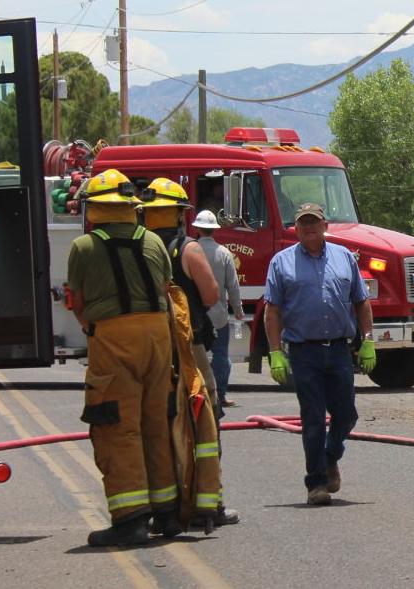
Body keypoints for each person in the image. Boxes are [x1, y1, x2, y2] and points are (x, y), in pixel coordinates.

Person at [67, 169, 175, 546]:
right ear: (131, 207)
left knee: (117, 427)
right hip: (158, 335)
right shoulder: (155, 243)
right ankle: (167, 510)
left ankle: (130, 519)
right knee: (157, 422)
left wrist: (97, 328)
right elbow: (165, 289)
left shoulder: (83, 247)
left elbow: (78, 303)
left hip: (114, 338)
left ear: (95, 209)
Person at [141, 178, 240, 527]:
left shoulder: (141, 248)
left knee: (160, 424)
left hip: (150, 349)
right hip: (189, 347)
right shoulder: (188, 250)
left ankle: (165, 507)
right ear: (181, 215)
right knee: (204, 422)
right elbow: (212, 296)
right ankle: (208, 505)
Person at [264, 203, 376, 506]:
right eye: (304, 223)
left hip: (339, 349)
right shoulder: (281, 262)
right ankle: (316, 483)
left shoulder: (344, 258)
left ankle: (330, 456)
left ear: (324, 225)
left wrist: (367, 341)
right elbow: (272, 311)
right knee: (312, 418)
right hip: (304, 352)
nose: (309, 227)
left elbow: (361, 303)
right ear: (296, 228)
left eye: (314, 222)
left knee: (347, 414)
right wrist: (275, 352)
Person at [193, 209, 245, 408]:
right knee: (221, 355)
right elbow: (233, 285)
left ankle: (198, 393)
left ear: (197, 228)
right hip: (218, 315)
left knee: (194, 355)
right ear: (214, 229)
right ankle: (220, 394)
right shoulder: (224, 253)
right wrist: (238, 310)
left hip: (195, 314)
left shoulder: (189, 250)